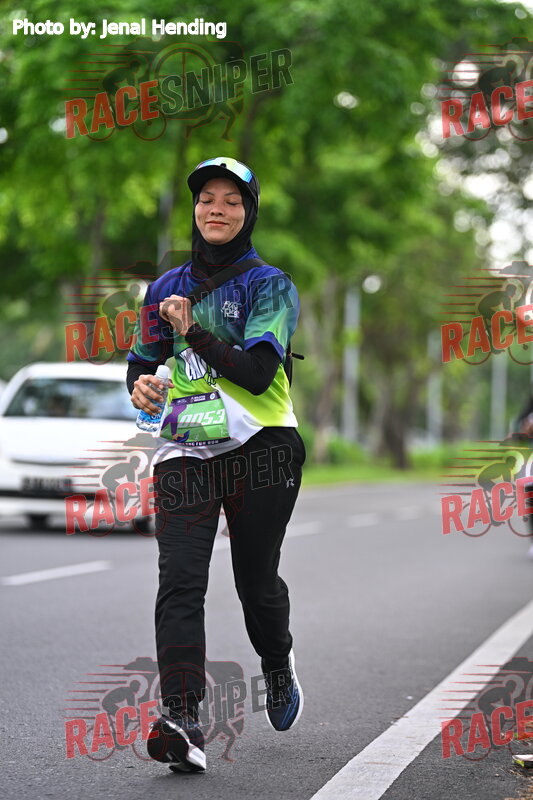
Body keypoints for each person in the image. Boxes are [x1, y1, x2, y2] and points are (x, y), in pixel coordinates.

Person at [126, 157, 306, 773]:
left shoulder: (271, 286)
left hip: (263, 447)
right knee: (180, 579)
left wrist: (195, 331)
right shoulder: (163, 287)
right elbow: (141, 364)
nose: (217, 209)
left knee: (255, 583)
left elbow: (256, 374)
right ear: (195, 208)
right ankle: (182, 719)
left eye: (231, 200)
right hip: (187, 447)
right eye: (207, 198)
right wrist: (140, 387)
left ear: (248, 212)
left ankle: (277, 662)